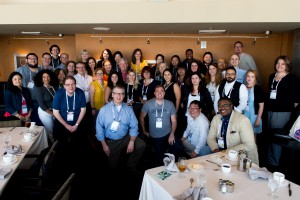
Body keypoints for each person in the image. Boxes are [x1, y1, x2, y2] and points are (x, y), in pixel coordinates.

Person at [95, 85, 146, 173]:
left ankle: (130, 164)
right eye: (116, 93)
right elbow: (99, 129)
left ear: (124, 96)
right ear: (112, 95)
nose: (119, 96)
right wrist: (104, 145)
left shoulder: (128, 109)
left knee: (141, 145)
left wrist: (132, 141)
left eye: (121, 94)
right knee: (113, 167)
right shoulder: (104, 110)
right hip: (112, 141)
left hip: (125, 137)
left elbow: (134, 126)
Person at [266, 55, 300, 167]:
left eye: (282, 64)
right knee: (271, 135)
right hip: (270, 110)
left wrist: (294, 116)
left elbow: (296, 98)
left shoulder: (292, 78)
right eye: (278, 63)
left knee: (277, 138)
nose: (279, 65)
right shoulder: (272, 76)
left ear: (287, 66)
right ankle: (271, 158)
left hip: (283, 112)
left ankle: (274, 162)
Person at [140, 85, 184, 167]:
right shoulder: (148, 104)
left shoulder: (170, 104)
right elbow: (141, 118)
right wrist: (144, 131)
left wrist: (172, 134)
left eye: (161, 91)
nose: (159, 92)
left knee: (179, 148)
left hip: (168, 133)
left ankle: (171, 160)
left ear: (164, 93)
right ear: (154, 93)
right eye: (157, 91)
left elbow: (174, 121)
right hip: (155, 136)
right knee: (161, 161)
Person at [207, 97, 259, 165]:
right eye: (219, 106)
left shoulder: (242, 120)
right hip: (221, 154)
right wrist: (215, 149)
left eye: (225, 105)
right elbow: (210, 138)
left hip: (242, 157)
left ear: (231, 106)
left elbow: (249, 145)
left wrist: (226, 152)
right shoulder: (216, 118)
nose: (222, 108)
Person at [52, 76, 87, 174]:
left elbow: (83, 110)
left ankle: (77, 168)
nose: (71, 87)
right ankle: (63, 168)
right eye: (68, 84)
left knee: (78, 145)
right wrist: (66, 125)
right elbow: (55, 112)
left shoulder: (80, 93)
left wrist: (76, 124)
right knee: (62, 145)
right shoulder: (59, 94)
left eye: (73, 84)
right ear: (64, 86)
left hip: (77, 122)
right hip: (62, 122)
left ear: (75, 84)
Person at [33, 69, 59, 144]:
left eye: (48, 76)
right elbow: (42, 105)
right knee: (50, 130)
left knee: (56, 129)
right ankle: (52, 146)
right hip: (45, 112)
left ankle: (57, 143)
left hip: (55, 111)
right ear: (41, 78)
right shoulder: (39, 88)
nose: (46, 78)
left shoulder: (54, 87)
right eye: (44, 77)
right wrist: (53, 114)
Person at [244, 70, 264, 142]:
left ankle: (253, 153)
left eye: (252, 77)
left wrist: (258, 119)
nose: (250, 78)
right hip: (244, 115)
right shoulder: (242, 87)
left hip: (254, 116)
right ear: (246, 77)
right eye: (248, 76)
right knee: (243, 136)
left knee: (252, 138)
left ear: (255, 78)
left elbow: (261, 106)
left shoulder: (258, 88)